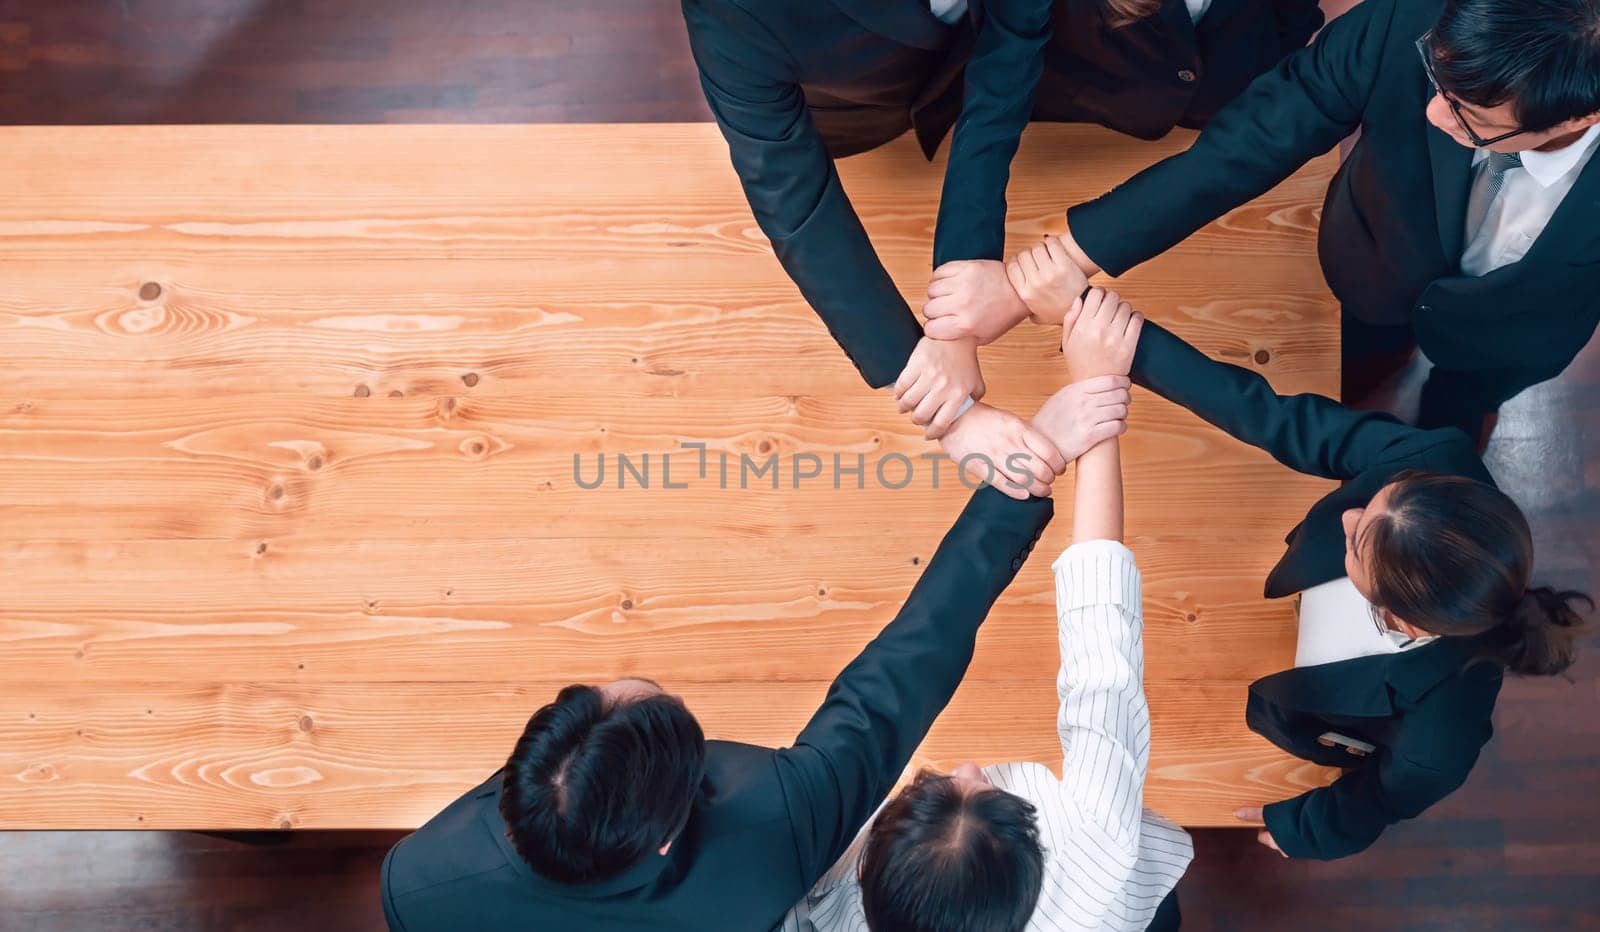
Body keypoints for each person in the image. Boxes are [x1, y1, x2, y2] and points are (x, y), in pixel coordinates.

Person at [377, 382, 1131, 931]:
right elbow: (903, 672)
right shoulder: (771, 834)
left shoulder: (417, 883)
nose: (626, 678)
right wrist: (1027, 471)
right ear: (669, 834)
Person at [1004, 243, 1592, 860]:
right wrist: (1117, 341)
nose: (1351, 510)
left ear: (1405, 619)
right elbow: (1272, 418)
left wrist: (1305, 829)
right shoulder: (1433, 457)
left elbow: (1385, 798)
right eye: (1381, 496)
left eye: (1360, 539)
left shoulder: (1441, 731)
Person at [681, 0, 1321, 496]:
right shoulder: (735, 15)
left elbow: (1007, 57)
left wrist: (969, 309)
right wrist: (946, 402)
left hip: (1055, 77)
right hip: (872, 105)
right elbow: (798, 205)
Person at [930, 0, 1600, 442]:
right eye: (1439, 86)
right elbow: (1244, 148)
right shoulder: (1411, 20)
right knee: (1364, 358)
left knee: (1466, 403)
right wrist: (1054, 267)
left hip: (1519, 332)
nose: (1433, 114)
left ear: (1577, 119)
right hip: (1372, 263)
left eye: (1470, 122)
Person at [781, 288, 1191, 932]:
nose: (968, 765)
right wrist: (1098, 393)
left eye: (933, 786)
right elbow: (1101, 649)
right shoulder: (1095, 850)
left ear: (866, 878)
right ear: (1037, 869)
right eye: (985, 790)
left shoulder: (812, 908)